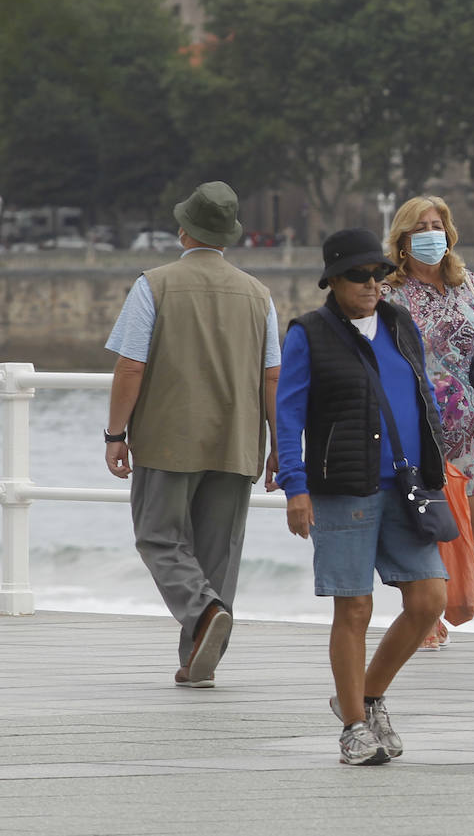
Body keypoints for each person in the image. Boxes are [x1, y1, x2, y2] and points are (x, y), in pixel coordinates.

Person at [275, 228, 448, 766]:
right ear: (332, 280)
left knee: (429, 600)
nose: (372, 284)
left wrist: (441, 466)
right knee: (354, 608)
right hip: (341, 488)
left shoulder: (400, 324)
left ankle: (367, 697)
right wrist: (295, 487)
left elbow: (421, 396)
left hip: (407, 485)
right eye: (358, 275)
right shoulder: (309, 333)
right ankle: (354, 727)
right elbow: (288, 414)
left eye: (378, 274)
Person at [104, 181, 279, 689]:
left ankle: (202, 614)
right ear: (228, 235)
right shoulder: (258, 295)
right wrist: (281, 447)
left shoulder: (153, 284)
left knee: (158, 537)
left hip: (167, 437)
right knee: (217, 551)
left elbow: (130, 367)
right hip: (238, 439)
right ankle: (199, 658)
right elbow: (272, 377)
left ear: (183, 230)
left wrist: (115, 433)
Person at [383, 195, 474, 650]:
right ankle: (425, 608)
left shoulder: (465, 281)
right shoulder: (390, 290)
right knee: (426, 518)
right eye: (421, 227)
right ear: (403, 239)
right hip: (419, 420)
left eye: (438, 224)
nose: (431, 233)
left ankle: (432, 597)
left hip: (470, 418)